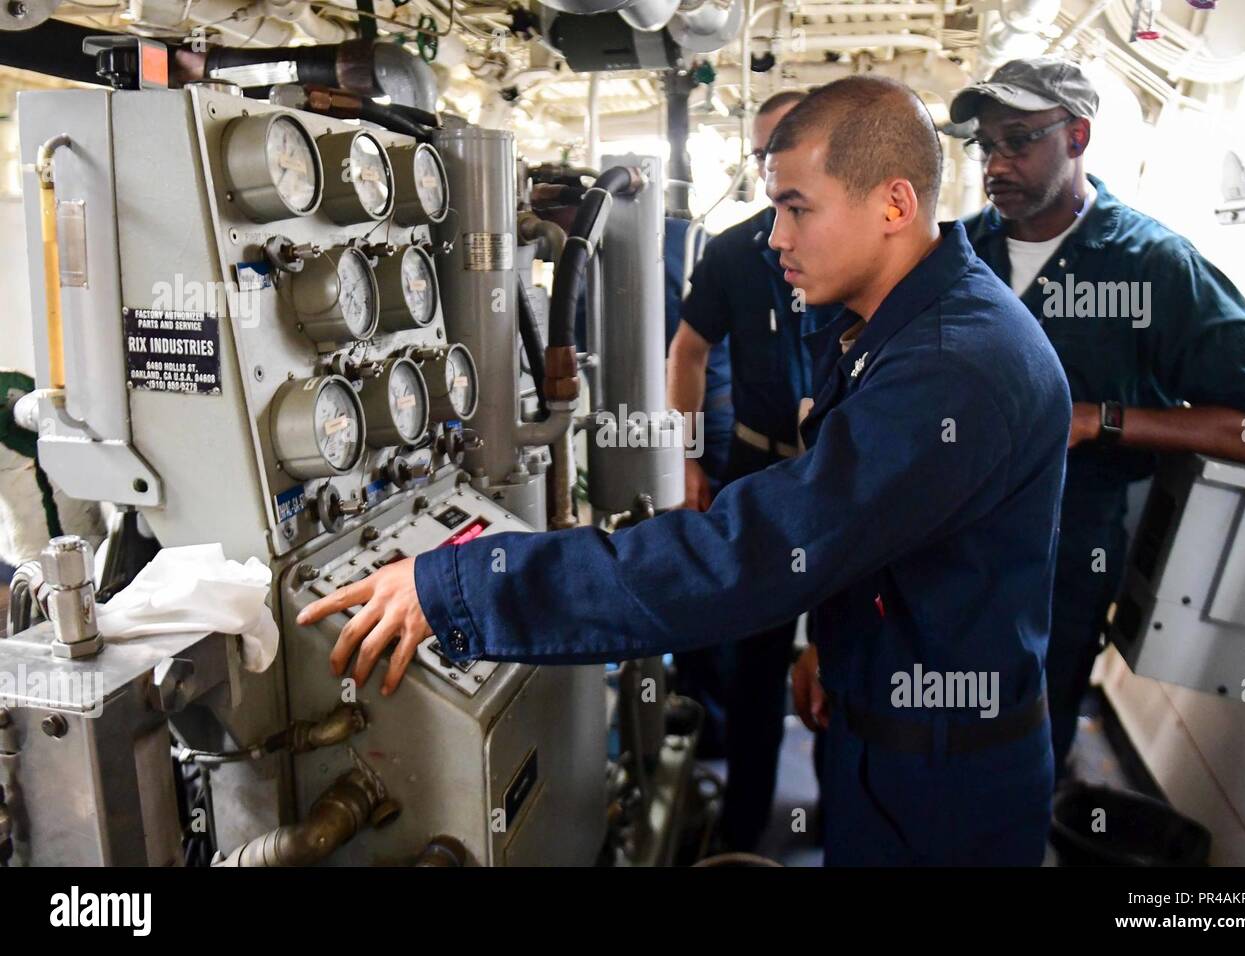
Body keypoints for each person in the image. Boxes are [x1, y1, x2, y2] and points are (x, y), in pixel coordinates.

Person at [299, 75, 1073, 866]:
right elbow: (874, 530)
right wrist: (831, 649)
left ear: (895, 206)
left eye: (797, 207)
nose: (776, 237)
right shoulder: (919, 325)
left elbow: (747, 555)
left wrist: (462, 584)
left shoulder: (953, 369)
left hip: (940, 791)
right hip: (888, 730)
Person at [950, 57, 1245, 782]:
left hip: (1065, 556)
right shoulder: (959, 254)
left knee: (1022, 750)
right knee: (928, 739)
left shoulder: (1155, 266)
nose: (996, 163)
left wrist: (1095, 421)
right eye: (986, 144)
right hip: (944, 542)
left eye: (1018, 139)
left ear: (1076, 136)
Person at [666, 89, 840, 851]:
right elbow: (688, 352)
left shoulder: (860, 250)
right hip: (756, 475)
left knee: (847, 656)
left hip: (840, 483)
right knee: (756, 661)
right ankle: (744, 827)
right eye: (770, 154)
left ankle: (843, 817)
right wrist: (689, 456)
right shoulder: (737, 252)